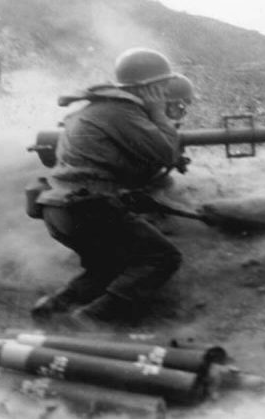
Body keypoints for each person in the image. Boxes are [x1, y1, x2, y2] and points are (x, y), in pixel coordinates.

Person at [30, 47, 195, 326]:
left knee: (109, 267)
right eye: (162, 88)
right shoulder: (123, 111)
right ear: (150, 88)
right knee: (162, 258)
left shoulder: (100, 107)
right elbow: (165, 152)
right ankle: (91, 320)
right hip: (87, 206)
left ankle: (53, 309)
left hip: (61, 208)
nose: (165, 96)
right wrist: (158, 113)